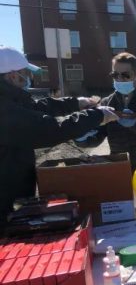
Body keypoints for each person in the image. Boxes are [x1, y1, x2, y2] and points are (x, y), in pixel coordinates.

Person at [0, 46, 119, 223]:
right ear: (13, 76)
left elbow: (38, 108)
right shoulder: (4, 109)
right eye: (26, 72)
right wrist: (96, 115)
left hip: (13, 189)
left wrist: (76, 103)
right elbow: (50, 129)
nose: (29, 77)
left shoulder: (10, 98)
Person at [77, 52, 136, 172]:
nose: (119, 79)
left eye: (125, 75)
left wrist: (135, 124)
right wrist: (81, 136)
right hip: (122, 167)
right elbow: (99, 135)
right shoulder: (107, 103)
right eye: (115, 75)